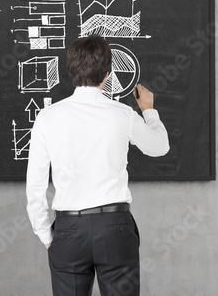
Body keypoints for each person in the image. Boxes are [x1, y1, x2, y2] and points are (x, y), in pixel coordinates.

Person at [26, 34, 170, 296]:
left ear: (70, 70)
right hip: (115, 227)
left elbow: (35, 186)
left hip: (68, 230)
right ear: (107, 73)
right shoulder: (123, 114)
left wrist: (46, 235)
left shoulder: (47, 118)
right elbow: (160, 147)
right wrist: (148, 110)